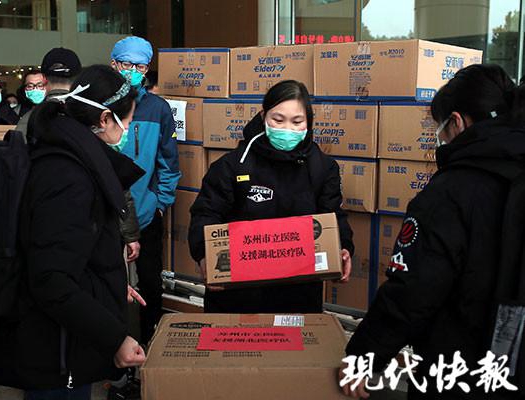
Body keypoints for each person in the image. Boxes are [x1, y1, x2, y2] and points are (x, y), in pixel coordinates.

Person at [341, 64, 524, 399]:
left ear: (457, 122)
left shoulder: (453, 192)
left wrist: (364, 358)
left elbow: (414, 289)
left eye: (439, 127)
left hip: (458, 369)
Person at [0, 65, 147, 399]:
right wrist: (115, 339)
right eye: (127, 121)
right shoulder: (68, 176)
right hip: (55, 350)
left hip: (64, 340)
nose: (128, 130)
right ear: (104, 119)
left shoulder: (72, 155)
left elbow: (74, 253)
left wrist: (110, 285)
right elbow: (51, 280)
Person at [188, 80, 354, 314]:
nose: (287, 129)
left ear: (308, 122)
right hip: (238, 294)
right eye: (278, 120)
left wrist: (343, 246)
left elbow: (333, 214)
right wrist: (204, 254)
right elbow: (206, 213)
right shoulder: (233, 166)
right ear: (263, 116)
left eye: (297, 121)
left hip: (298, 292)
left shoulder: (323, 168)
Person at [111, 36, 181, 344]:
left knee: (151, 284)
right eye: (127, 64)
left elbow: (169, 162)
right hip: (106, 214)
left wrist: (160, 203)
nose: (133, 71)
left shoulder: (158, 109)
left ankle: (151, 341)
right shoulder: (99, 106)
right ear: (114, 64)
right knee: (107, 283)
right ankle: (112, 347)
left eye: (140, 66)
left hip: (146, 213)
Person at [16, 47, 81, 139]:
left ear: (44, 78)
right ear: (78, 78)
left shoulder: (30, 119)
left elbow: (18, 145)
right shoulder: (88, 116)